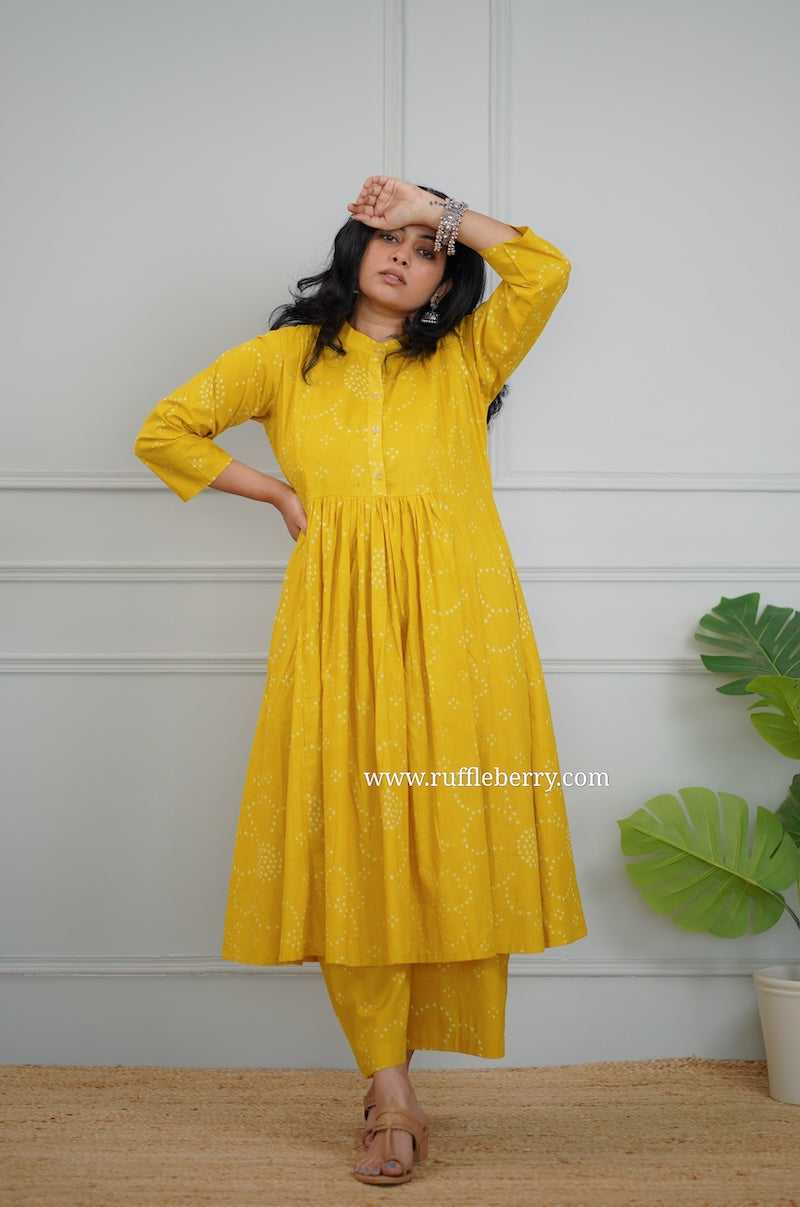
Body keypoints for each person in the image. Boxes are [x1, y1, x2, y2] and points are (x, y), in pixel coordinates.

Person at [134, 175, 587, 1186]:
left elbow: (543, 268)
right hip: (337, 625)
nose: (405, 257)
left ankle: (406, 1071)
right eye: (391, 238)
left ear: (444, 282)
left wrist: (433, 202)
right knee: (355, 842)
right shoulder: (285, 359)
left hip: (461, 626)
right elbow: (164, 429)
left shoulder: (468, 357)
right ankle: (390, 1091)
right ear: (354, 248)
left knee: (450, 828)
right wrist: (276, 493)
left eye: (428, 250)